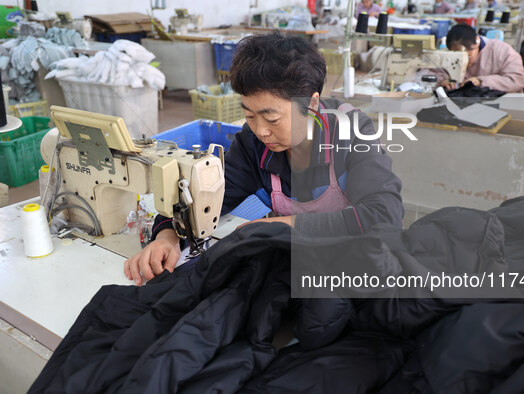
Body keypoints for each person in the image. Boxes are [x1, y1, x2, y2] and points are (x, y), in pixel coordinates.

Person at [124, 32, 405, 285]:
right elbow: (205, 198)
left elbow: (384, 214)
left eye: (272, 118)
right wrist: (168, 237)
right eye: (249, 115)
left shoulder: (353, 131)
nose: (260, 130)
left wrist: (276, 226)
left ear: (313, 104)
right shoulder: (252, 143)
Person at [440, 24, 524, 93]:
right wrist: (443, 80)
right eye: (457, 57)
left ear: (477, 41)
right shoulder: (448, 55)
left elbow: (517, 80)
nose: (463, 61)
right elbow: (435, 72)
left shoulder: (503, 51)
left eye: (468, 55)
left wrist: (481, 81)